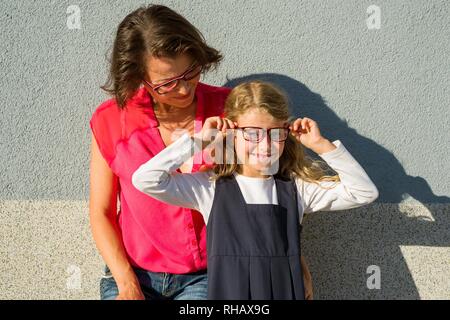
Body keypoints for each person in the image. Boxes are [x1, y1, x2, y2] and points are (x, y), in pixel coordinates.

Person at [132, 80, 379, 300]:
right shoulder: (209, 187)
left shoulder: (297, 189)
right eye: (251, 134)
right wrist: (199, 140)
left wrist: (322, 146)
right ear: (231, 133)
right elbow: (146, 179)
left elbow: (364, 192)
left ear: (287, 133)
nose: (265, 145)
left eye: (276, 133)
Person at [89, 4, 229, 300]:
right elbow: (101, 212)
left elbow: (266, 192)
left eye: (191, 71)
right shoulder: (112, 120)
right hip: (133, 273)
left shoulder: (229, 108)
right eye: (167, 83)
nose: (184, 89)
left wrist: (293, 261)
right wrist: (126, 284)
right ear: (137, 77)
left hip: (208, 274)